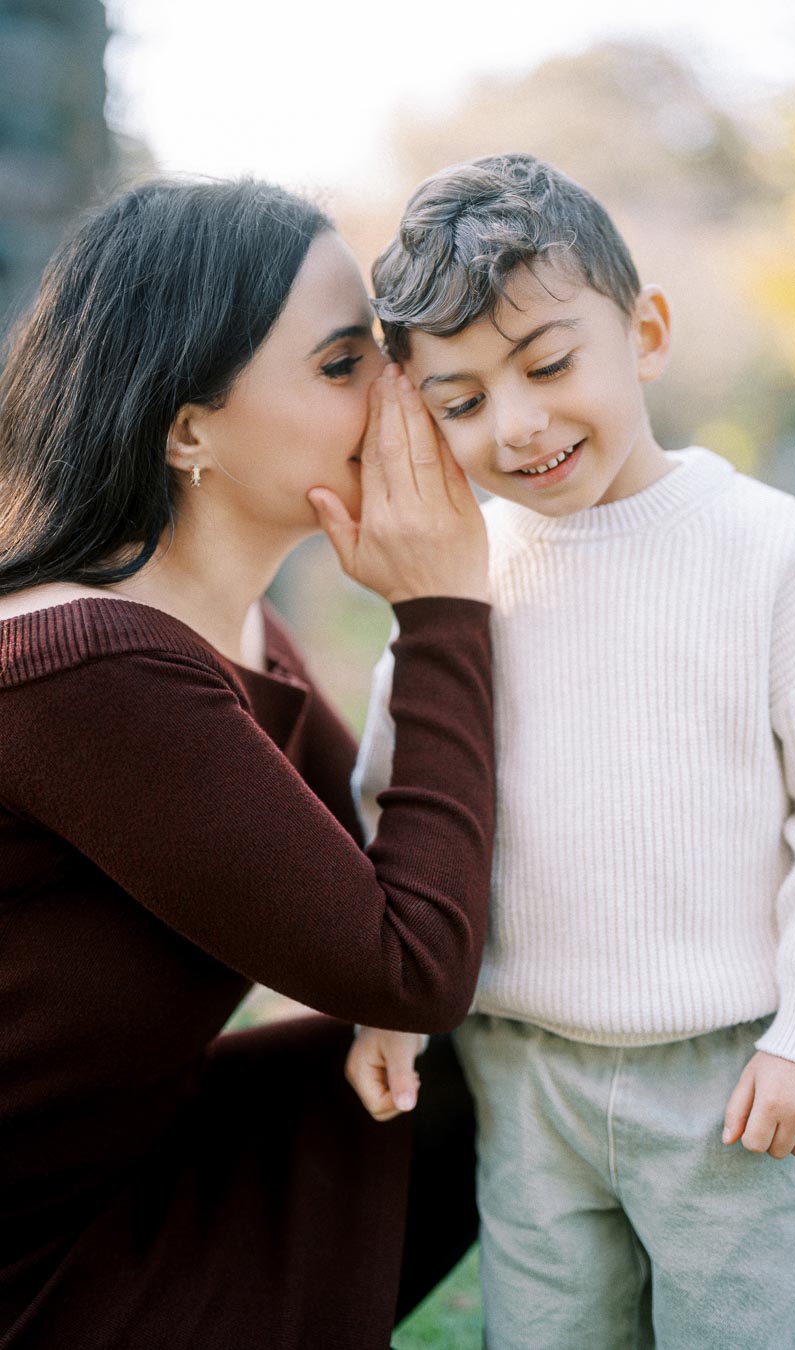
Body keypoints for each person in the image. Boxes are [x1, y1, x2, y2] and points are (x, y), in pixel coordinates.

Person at [348, 153, 795, 1348]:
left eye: (550, 364)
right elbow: (404, 794)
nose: (522, 422)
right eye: (464, 401)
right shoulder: (464, 577)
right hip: (522, 1068)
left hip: (734, 1077)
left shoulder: (768, 552)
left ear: (644, 331)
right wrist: (389, 999)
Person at [0, 177, 496, 1350]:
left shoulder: (218, 627)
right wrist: (438, 611)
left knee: (498, 1056)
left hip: (116, 1177)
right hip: (33, 1271)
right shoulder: (90, 667)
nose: (401, 388)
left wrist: (397, 1002)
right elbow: (411, 959)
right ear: (187, 431)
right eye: (342, 365)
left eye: (385, 350)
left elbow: (392, 900)